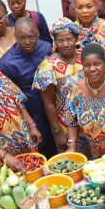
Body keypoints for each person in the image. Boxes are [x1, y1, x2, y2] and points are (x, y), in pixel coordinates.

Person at [0, 17, 57, 156]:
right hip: (32, 111)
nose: (28, 42)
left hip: (54, 104)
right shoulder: (6, 64)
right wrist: (30, 124)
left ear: (38, 34)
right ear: (14, 35)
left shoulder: (46, 48)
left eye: (31, 37)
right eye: (22, 37)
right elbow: (11, 96)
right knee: (43, 146)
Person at [34, 19, 84, 150]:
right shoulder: (48, 66)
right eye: (60, 41)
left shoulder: (84, 55)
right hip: (66, 124)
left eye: (69, 39)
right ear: (55, 41)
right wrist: (58, 133)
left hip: (89, 118)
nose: (65, 44)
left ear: (77, 38)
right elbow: (48, 103)